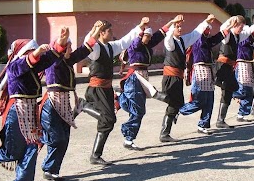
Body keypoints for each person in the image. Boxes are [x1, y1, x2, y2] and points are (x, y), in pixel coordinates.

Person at [0, 29, 69, 181]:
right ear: (23, 53)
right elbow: (26, 63)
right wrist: (37, 52)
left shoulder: (33, 66)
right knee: (12, 153)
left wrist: (61, 42)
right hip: (16, 113)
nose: (34, 54)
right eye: (31, 51)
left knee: (31, 147)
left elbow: (49, 58)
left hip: (29, 112)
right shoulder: (15, 66)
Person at [39, 21, 103, 181]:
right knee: (57, 138)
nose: (70, 49)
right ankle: (48, 167)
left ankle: (52, 170)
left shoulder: (68, 60)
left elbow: (86, 48)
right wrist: (62, 39)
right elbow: (57, 49)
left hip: (64, 103)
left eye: (70, 46)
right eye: (67, 46)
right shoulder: (53, 62)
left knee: (64, 138)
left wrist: (96, 30)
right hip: (51, 104)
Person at [84, 17, 149, 165]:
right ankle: (84, 106)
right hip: (96, 88)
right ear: (101, 33)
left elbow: (125, 41)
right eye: (109, 31)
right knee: (108, 119)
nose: (112, 33)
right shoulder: (95, 48)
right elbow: (88, 43)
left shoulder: (109, 46)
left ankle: (96, 155)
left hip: (106, 88)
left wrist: (140, 27)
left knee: (110, 119)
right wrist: (93, 30)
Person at [119, 16, 181, 149]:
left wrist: (172, 22)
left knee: (137, 109)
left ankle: (120, 99)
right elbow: (136, 38)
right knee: (138, 110)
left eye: (149, 36)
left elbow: (160, 33)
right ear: (141, 35)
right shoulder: (135, 45)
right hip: (134, 79)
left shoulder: (147, 45)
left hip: (142, 78)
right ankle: (128, 137)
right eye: (146, 36)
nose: (148, 38)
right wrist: (142, 26)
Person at [175, 17, 236, 136]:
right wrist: (206, 22)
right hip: (200, 69)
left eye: (209, 29)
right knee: (200, 99)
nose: (208, 31)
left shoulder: (207, 40)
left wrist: (229, 27)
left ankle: (203, 124)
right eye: (206, 29)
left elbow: (217, 38)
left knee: (209, 100)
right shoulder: (197, 39)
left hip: (208, 70)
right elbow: (208, 35)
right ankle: (180, 110)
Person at [160, 14, 216, 140]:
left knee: (177, 103)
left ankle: (165, 132)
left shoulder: (182, 41)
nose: (179, 29)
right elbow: (168, 38)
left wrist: (206, 22)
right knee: (174, 103)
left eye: (180, 27)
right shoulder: (170, 42)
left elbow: (195, 34)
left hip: (177, 77)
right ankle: (164, 133)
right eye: (177, 27)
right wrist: (172, 22)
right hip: (170, 77)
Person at [214, 15, 254, 128]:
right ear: (235, 26)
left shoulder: (239, 36)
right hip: (222, 66)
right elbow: (223, 27)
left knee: (229, 92)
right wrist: (231, 21)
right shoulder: (227, 35)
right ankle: (220, 120)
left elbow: (249, 31)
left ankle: (220, 120)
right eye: (240, 27)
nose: (242, 30)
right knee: (230, 89)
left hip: (230, 67)